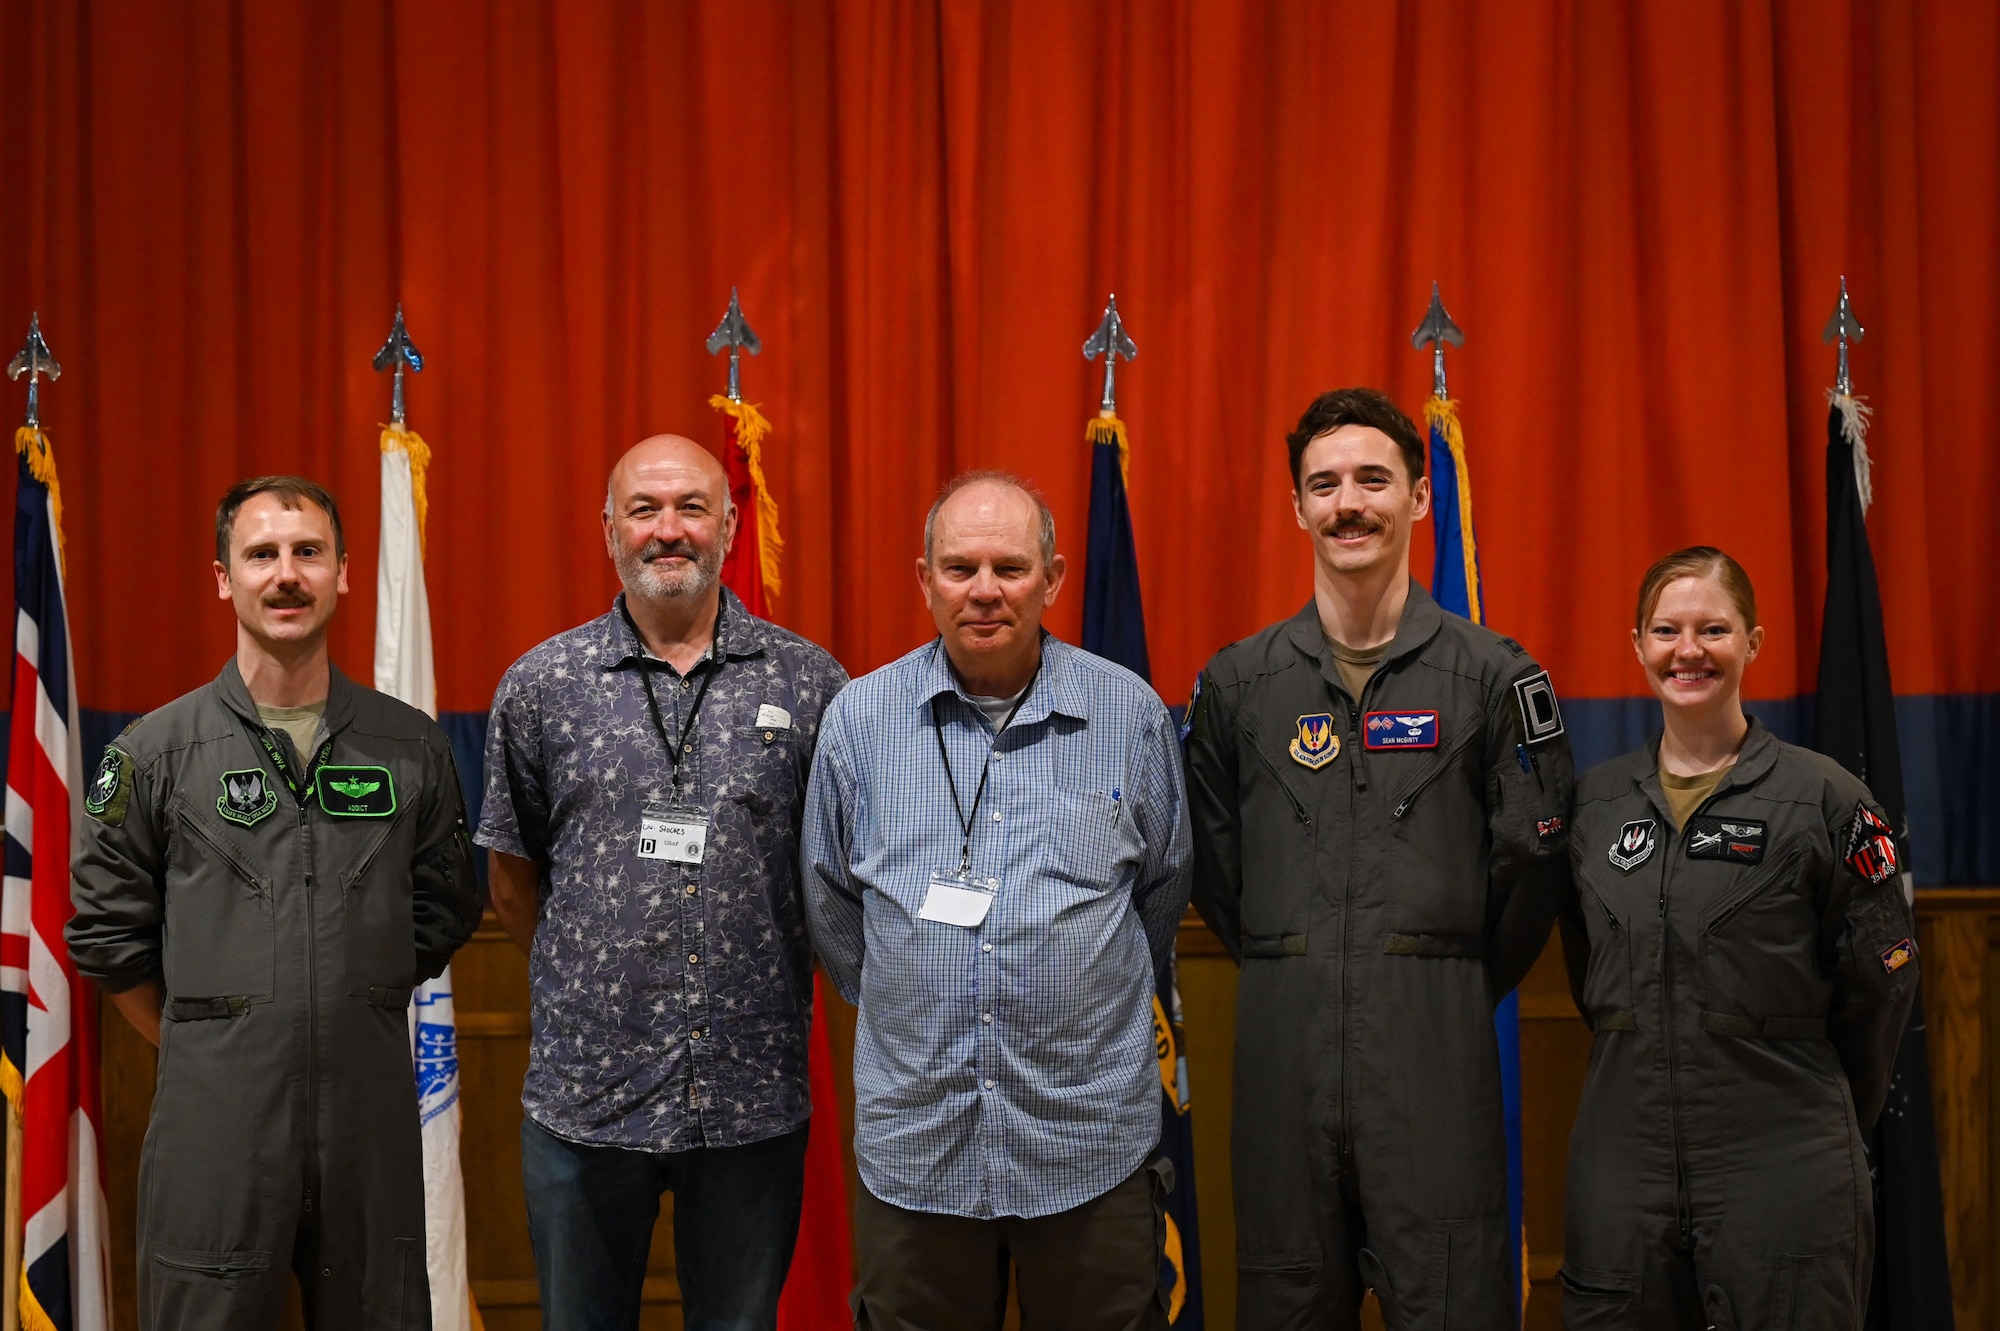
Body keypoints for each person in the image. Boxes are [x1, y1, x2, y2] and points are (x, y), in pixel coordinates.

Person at [1182, 387, 1574, 1329]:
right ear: (1297, 506)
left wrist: (1435, 972)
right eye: (1324, 485)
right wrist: (1308, 956)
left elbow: (1532, 866)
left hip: (1435, 1063)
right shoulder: (1238, 685)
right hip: (1285, 1067)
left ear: (1419, 496)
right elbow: (1217, 872)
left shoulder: (1494, 677)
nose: (1347, 503)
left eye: (1371, 479)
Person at [68, 476, 482, 1330]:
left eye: (308, 552)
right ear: (225, 577)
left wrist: (339, 1007)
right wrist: (213, 1033)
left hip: (367, 1126)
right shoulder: (155, 753)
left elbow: (443, 909)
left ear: (343, 572)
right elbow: (107, 935)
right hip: (216, 1129)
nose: (286, 574)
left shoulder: (410, 746)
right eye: (261, 554)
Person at [802, 471, 1190, 1331]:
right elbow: (831, 905)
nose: (984, 590)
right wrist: (915, 988)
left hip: (1089, 1150)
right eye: (960, 567)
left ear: (1053, 578)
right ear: (925, 580)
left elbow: (1161, 895)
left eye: (1010, 568)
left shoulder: (1128, 715)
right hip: (919, 1154)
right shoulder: (859, 721)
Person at [478, 435, 848, 1331]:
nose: (668, 529)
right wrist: (600, 983)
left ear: (729, 524)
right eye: (644, 509)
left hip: (752, 1099)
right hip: (586, 1100)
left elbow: (833, 878)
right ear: (610, 529)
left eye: (691, 507)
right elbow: (514, 886)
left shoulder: (811, 684)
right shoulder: (541, 685)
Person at [1557, 547, 1918, 1329]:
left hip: (1783, 1165)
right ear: (1637, 644)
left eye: (1713, 629)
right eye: (1667, 630)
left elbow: (1880, 986)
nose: (1687, 650)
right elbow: (1593, 974)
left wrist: (1812, 1102)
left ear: (1752, 642)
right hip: (1624, 1171)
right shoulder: (1594, 807)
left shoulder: (1824, 798)